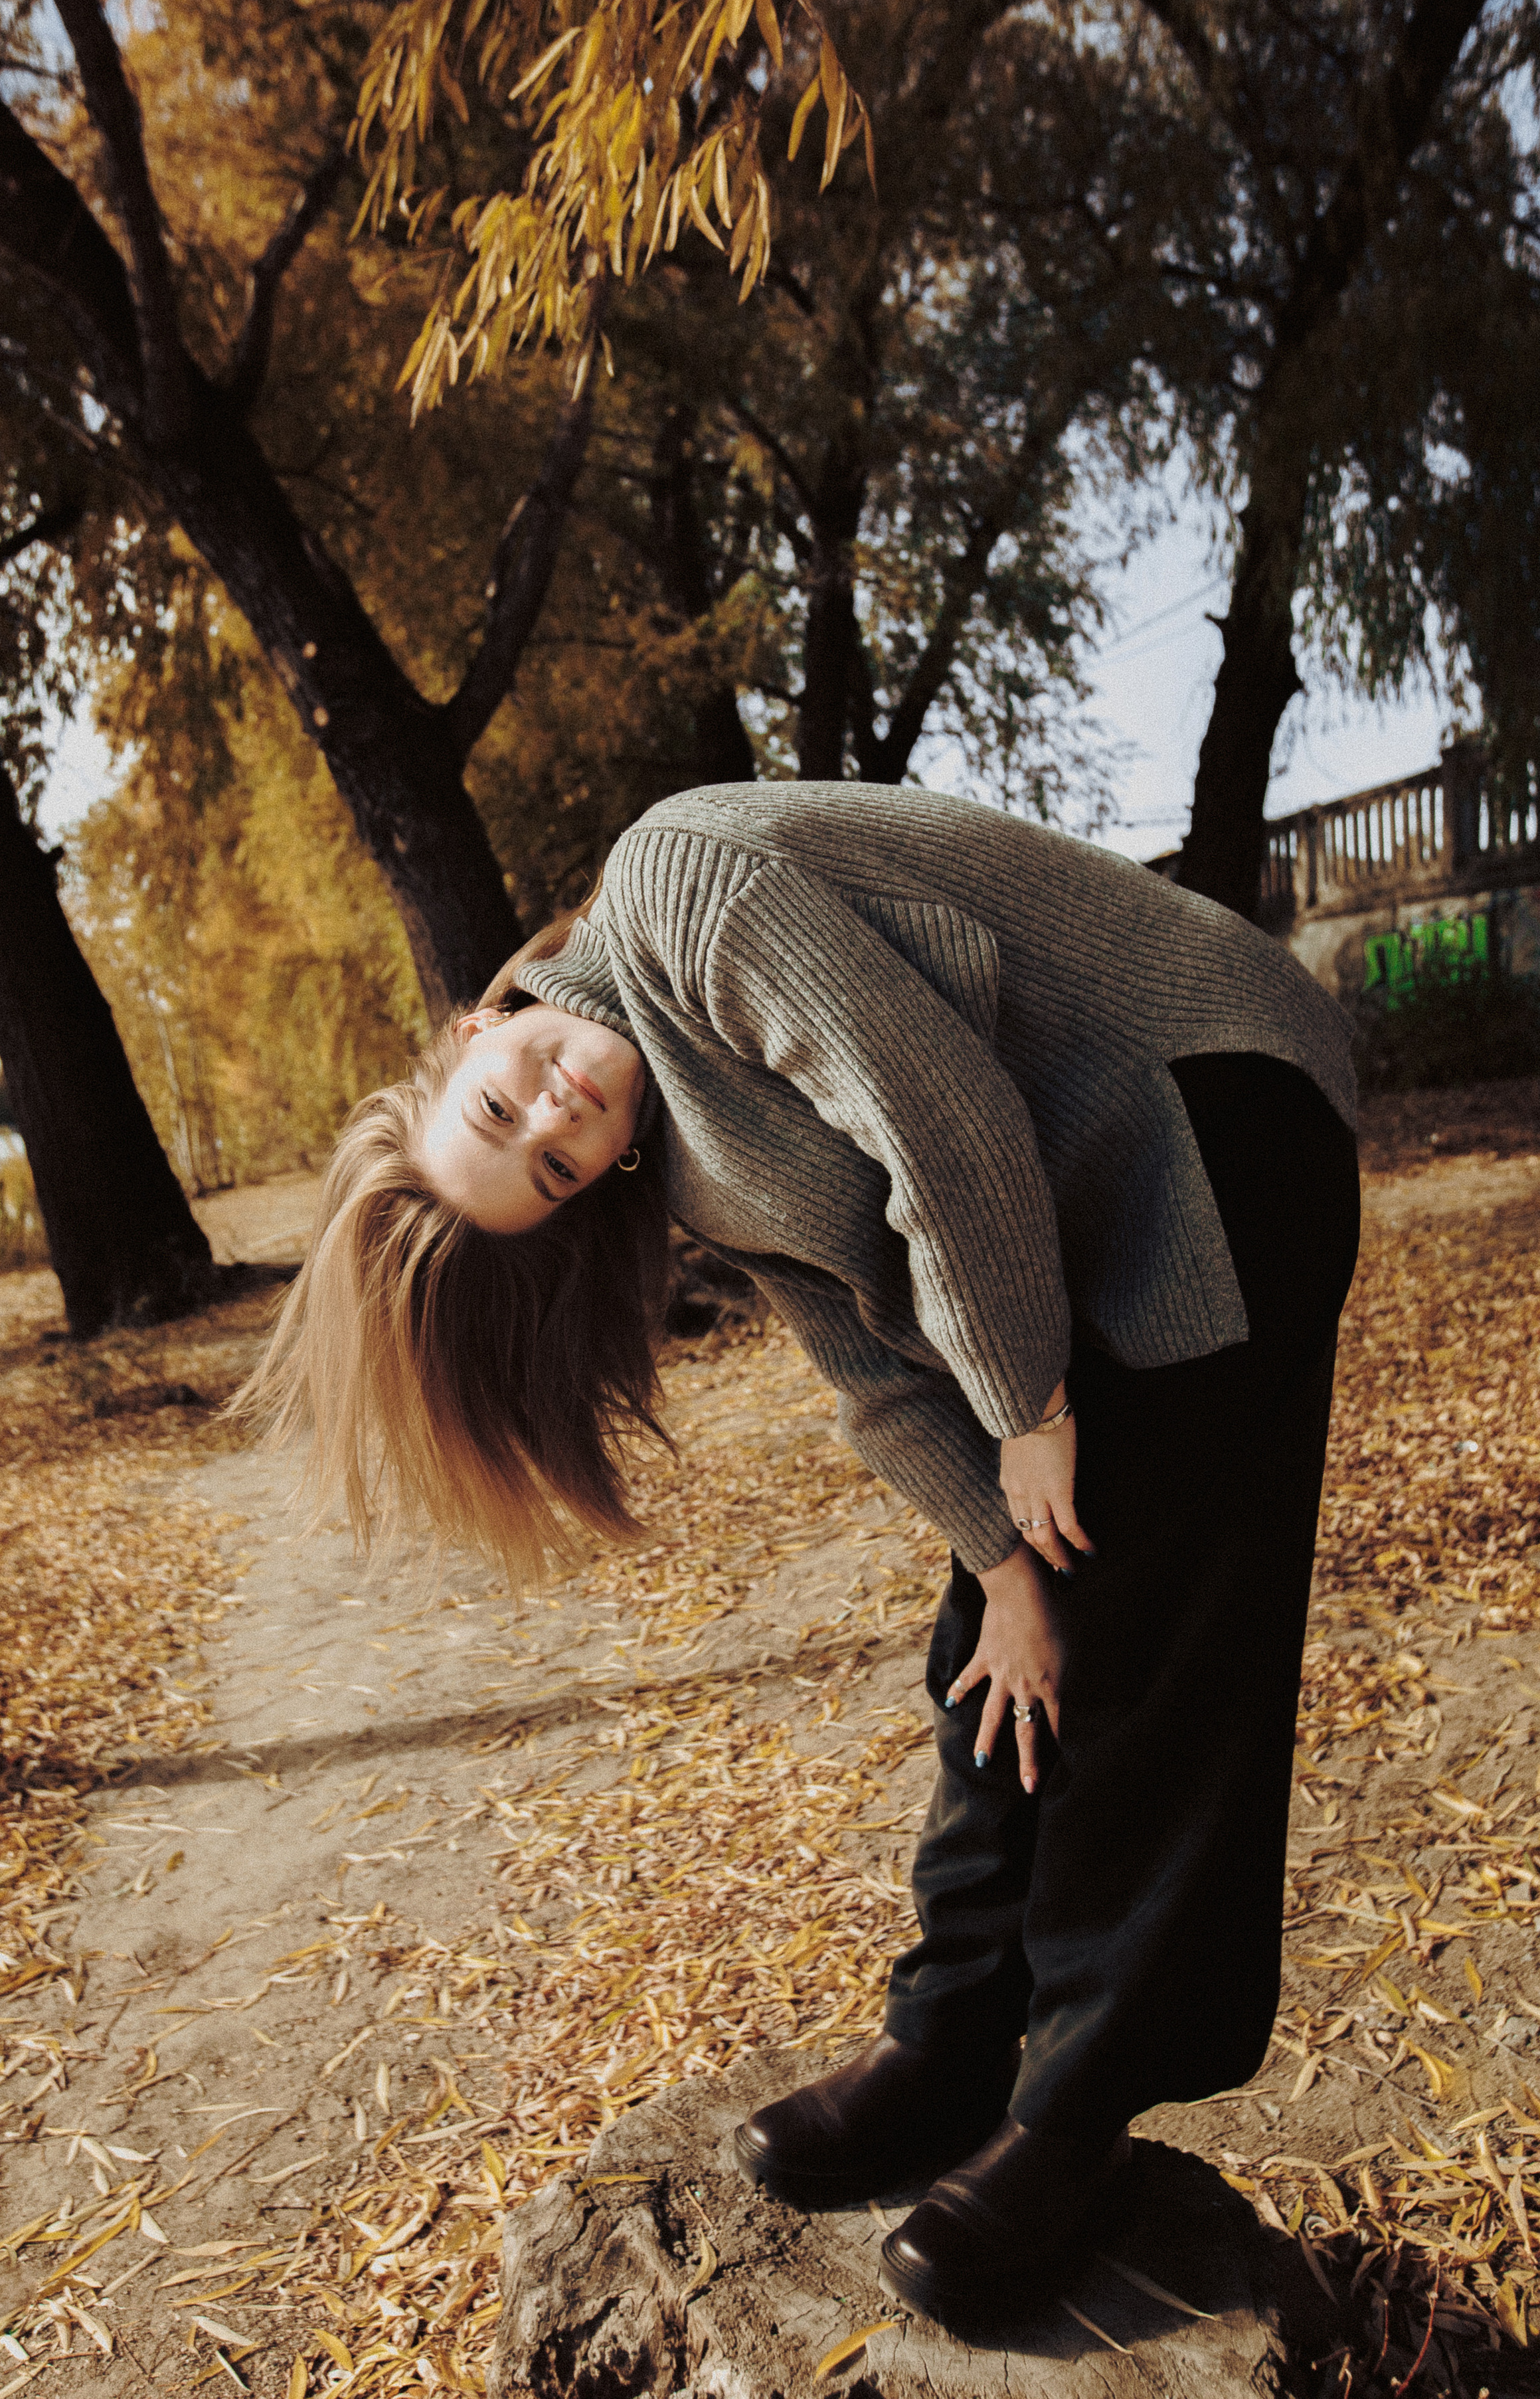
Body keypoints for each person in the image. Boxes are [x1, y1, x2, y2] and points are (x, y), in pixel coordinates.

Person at [242, 783, 1359, 2329]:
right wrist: (1002, 1568)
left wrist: (1029, 1407)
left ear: (468, 1030)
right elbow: (874, 1360)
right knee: (1000, 1643)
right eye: (547, 1169)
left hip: (1209, 1106)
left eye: (508, 1105)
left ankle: (1078, 2111)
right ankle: (955, 2037)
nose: (557, 1119)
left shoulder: (680, 888)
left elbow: (940, 1125)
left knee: (1159, 1634)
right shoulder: (679, 1155)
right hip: (1077, 1192)